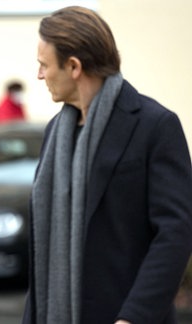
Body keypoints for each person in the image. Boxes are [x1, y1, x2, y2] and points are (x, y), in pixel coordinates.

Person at [23, 6, 192, 324]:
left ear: (73, 66)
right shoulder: (54, 134)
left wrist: (134, 317)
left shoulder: (155, 126)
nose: (39, 75)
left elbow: (175, 233)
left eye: (44, 65)